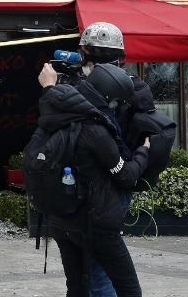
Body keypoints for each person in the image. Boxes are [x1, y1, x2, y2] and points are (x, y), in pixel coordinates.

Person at [37, 58, 150, 297]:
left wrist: (49, 87)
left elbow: (52, 99)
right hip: (96, 224)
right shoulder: (96, 130)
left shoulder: (56, 117)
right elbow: (126, 176)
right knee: (129, 289)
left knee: (76, 288)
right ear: (108, 98)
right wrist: (143, 152)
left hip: (61, 219)